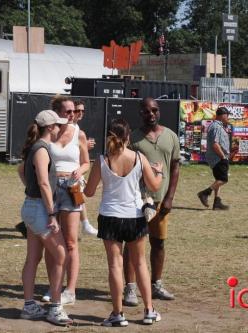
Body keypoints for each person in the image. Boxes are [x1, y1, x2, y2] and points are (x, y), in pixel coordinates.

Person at [84, 118, 163, 326]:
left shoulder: (102, 160)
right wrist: (160, 172)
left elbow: (89, 192)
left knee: (115, 265)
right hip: (134, 216)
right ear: (128, 137)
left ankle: (118, 314)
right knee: (140, 264)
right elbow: (154, 186)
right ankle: (149, 310)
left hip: (110, 217)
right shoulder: (139, 157)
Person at [123, 97, 180, 306]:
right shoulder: (133, 139)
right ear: (140, 113)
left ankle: (156, 284)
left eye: (154, 110)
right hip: (137, 201)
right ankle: (130, 287)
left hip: (160, 200)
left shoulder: (171, 136)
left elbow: (175, 167)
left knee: (159, 243)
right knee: (132, 245)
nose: (151, 114)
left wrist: (169, 197)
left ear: (159, 111)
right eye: (146, 111)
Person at [19, 110, 72, 326]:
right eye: (57, 125)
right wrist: (51, 213)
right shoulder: (41, 149)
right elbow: (42, 182)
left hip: (32, 207)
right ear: (50, 128)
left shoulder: (37, 147)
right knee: (61, 256)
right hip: (40, 209)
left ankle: (29, 305)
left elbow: (22, 171)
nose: (60, 128)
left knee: (33, 258)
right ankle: (55, 307)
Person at [43, 96, 90, 305]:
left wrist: (80, 171)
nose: (72, 115)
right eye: (68, 111)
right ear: (56, 113)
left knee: (71, 241)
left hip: (71, 188)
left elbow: (87, 162)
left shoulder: (79, 134)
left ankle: (70, 290)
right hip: (51, 189)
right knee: (51, 240)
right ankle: (54, 285)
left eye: (74, 111)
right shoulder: (48, 133)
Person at [197, 107, 231, 210]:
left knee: (218, 180)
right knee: (223, 179)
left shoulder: (218, 126)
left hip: (217, 157)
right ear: (222, 115)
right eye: (227, 115)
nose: (228, 117)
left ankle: (217, 203)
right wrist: (223, 157)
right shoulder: (216, 127)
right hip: (218, 157)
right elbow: (215, 144)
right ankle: (205, 193)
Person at [73, 99, 98, 236]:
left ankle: (85, 224)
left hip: (76, 169)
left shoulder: (78, 130)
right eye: (78, 110)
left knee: (78, 196)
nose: (80, 113)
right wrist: (83, 146)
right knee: (77, 196)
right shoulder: (68, 128)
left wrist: (84, 147)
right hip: (68, 170)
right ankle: (85, 224)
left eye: (83, 111)